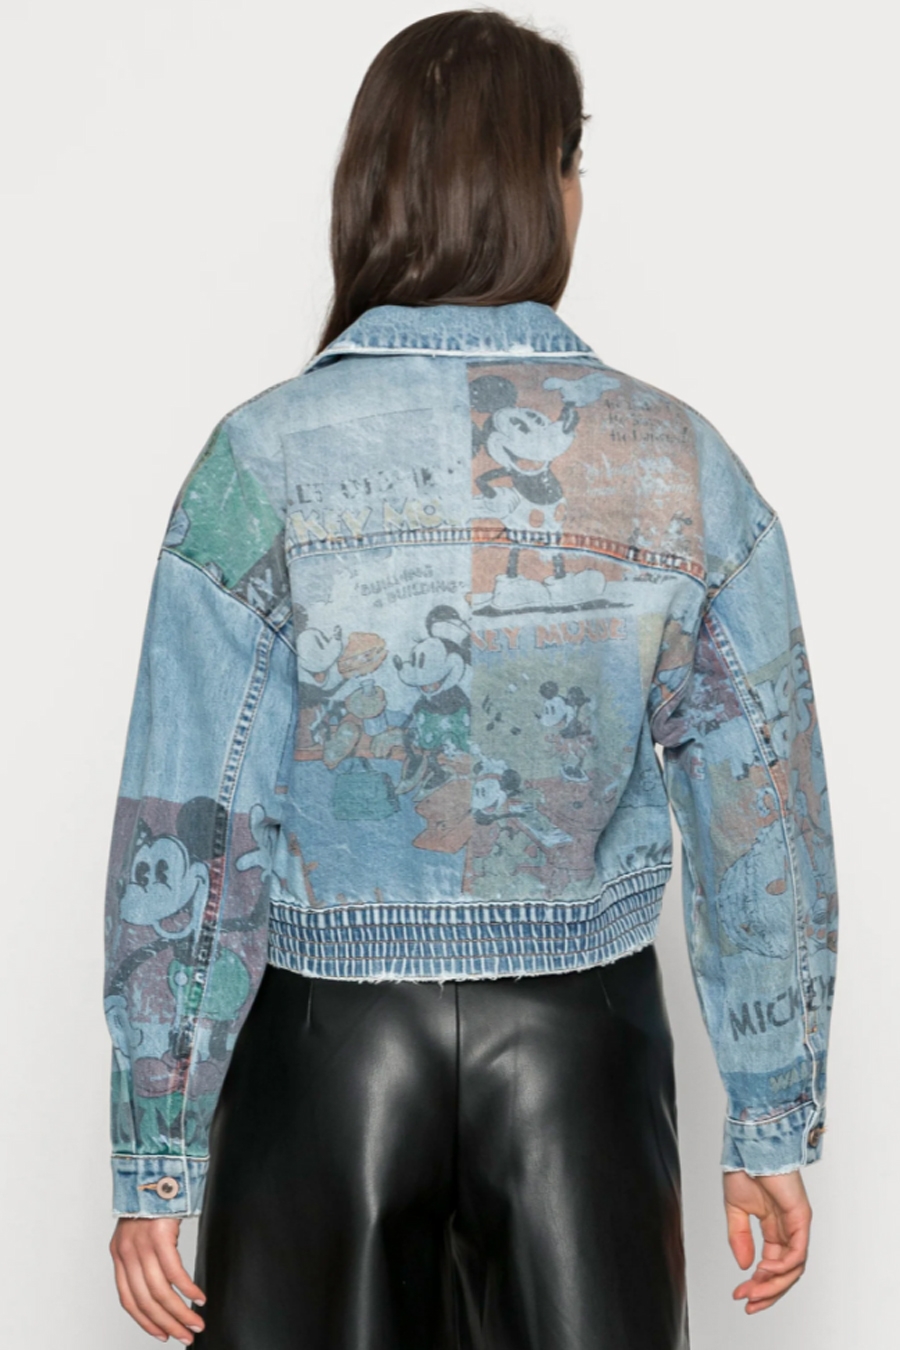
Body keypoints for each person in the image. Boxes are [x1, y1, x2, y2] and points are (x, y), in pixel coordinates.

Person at [103, 9, 838, 1348]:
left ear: (378, 185)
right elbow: (762, 815)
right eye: (572, 165)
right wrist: (770, 1115)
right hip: (580, 1055)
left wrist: (158, 1152)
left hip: (325, 1057)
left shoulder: (258, 459)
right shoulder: (680, 464)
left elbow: (194, 821)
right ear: (540, 187)